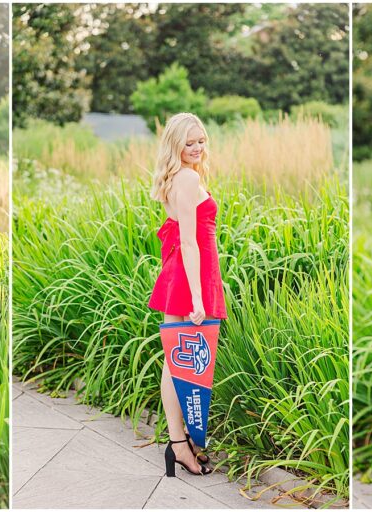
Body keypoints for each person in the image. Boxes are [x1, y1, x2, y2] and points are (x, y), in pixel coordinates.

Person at [148, 112, 227, 477]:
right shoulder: (187, 177)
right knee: (177, 359)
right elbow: (191, 242)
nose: (196, 148)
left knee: (179, 358)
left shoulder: (178, 176)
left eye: (201, 141)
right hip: (188, 274)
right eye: (189, 142)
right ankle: (179, 443)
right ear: (175, 145)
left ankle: (185, 440)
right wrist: (197, 298)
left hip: (185, 271)